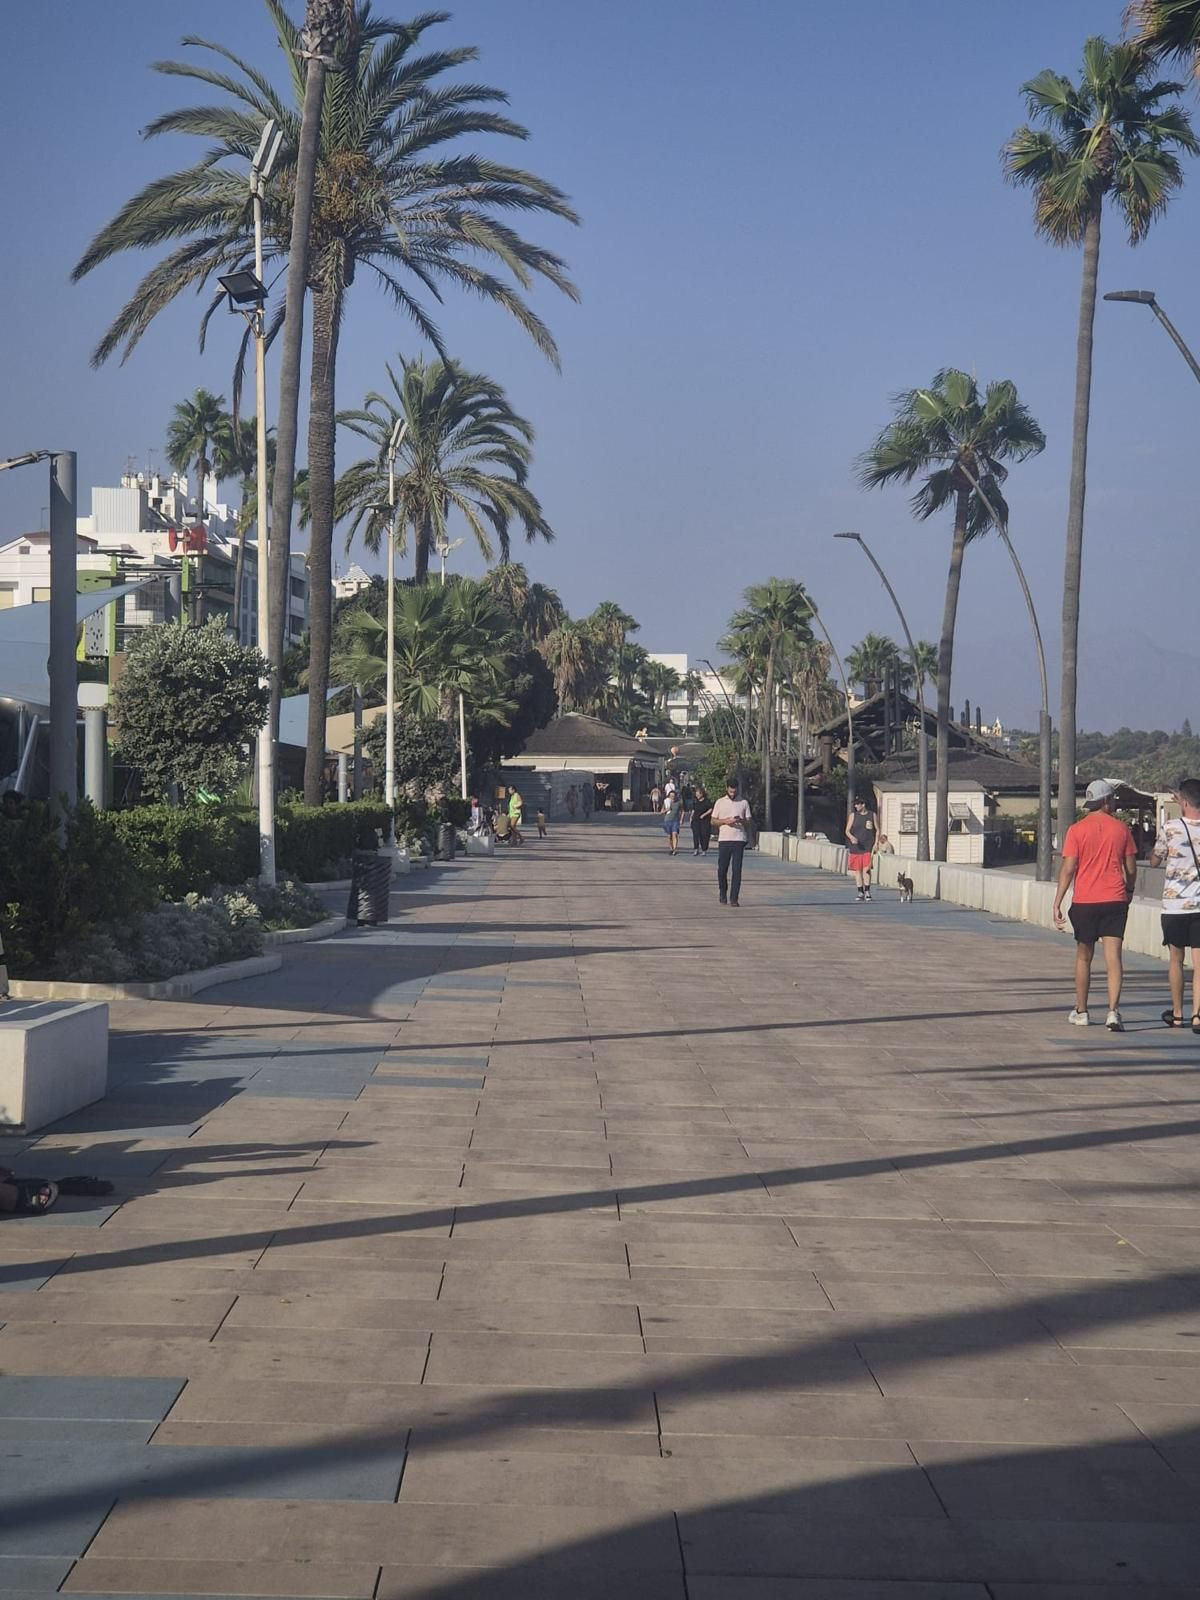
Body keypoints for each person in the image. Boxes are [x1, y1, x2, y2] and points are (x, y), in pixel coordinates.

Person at [1053, 778, 1137, 1031]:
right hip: (1114, 899)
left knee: (1083, 957)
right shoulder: (1122, 829)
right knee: (1114, 958)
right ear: (1106, 801)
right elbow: (1131, 869)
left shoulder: (1076, 830)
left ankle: (1082, 1011)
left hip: (1085, 901)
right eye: (1113, 799)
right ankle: (1113, 1012)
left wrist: (1058, 901)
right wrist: (1129, 890)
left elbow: (1068, 868)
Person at [1151, 777, 1200, 1032]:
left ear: (1184, 802)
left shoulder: (1170, 828)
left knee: (1176, 960)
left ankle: (1178, 1014)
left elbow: (1155, 861)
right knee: (1199, 964)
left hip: (1174, 907)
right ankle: (1197, 1015)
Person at [711, 777, 751, 906]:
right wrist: (725, 821)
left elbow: (749, 822)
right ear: (727, 788)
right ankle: (723, 892)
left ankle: (734, 898)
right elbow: (713, 820)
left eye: (734, 791)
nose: (732, 793)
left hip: (739, 839)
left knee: (737, 870)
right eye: (730, 791)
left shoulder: (744, 802)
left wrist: (741, 820)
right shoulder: (720, 802)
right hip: (724, 839)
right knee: (722, 870)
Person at [845, 797, 878, 901]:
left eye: (857, 804)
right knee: (857, 870)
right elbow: (847, 831)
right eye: (855, 804)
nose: (855, 806)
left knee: (866, 870)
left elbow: (877, 829)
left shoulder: (872, 815)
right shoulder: (853, 816)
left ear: (863, 804)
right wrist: (852, 838)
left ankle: (867, 891)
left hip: (868, 846)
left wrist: (876, 843)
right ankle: (860, 892)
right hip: (856, 847)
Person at [691, 784, 713, 855]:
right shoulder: (695, 801)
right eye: (696, 794)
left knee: (704, 835)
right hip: (696, 820)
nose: (697, 796)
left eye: (698, 794)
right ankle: (696, 849)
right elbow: (693, 810)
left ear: (702, 794)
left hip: (704, 821)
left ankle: (704, 849)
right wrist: (691, 817)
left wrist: (704, 814)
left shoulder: (707, 801)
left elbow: (710, 809)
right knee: (696, 835)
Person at [661, 791, 681, 855]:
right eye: (671, 796)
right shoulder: (666, 802)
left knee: (675, 834)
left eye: (674, 796)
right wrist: (667, 810)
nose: (673, 797)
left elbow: (682, 811)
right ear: (669, 796)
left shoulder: (678, 803)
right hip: (667, 820)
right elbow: (661, 812)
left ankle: (675, 849)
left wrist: (681, 819)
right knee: (669, 836)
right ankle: (671, 849)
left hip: (675, 821)